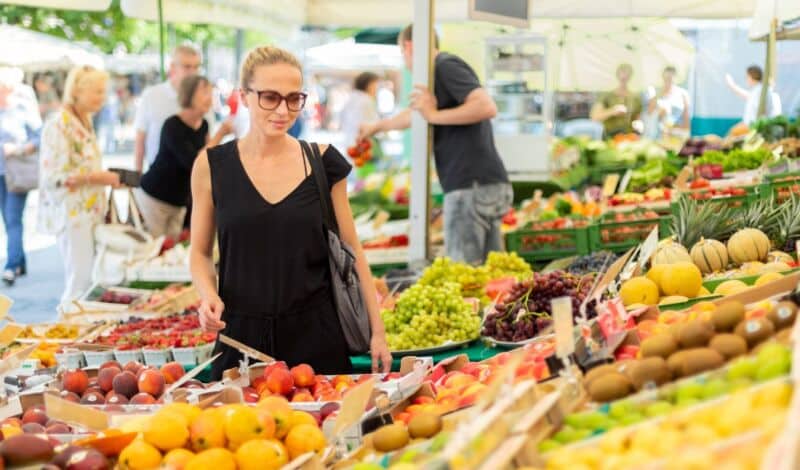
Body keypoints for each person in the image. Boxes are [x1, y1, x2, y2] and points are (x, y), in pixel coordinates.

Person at [191, 46, 392, 379]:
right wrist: (207, 294)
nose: (283, 110)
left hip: (317, 340)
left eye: (294, 98)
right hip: (240, 340)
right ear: (244, 96)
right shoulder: (211, 166)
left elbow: (353, 252)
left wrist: (378, 332)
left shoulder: (324, 163)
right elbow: (199, 252)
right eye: (270, 97)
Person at [359, 25, 512, 265]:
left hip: (469, 186)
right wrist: (376, 127)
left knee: (463, 276)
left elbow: (485, 106)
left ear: (409, 47)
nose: (405, 60)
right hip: (484, 182)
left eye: (402, 52)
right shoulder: (437, 72)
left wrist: (433, 115)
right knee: (492, 274)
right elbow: (416, 115)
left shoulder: (444, 65)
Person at [38, 65, 122, 304]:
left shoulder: (84, 121)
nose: (102, 98)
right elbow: (52, 177)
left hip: (89, 212)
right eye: (96, 92)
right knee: (79, 283)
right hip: (72, 215)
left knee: (90, 282)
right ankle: (65, 333)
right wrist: (98, 178)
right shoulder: (59, 125)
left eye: (103, 92)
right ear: (76, 91)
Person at [134, 76, 233, 239]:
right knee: (152, 251)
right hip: (155, 198)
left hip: (180, 202)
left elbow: (209, 161)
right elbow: (196, 162)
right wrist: (220, 135)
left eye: (211, 92)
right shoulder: (172, 125)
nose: (210, 97)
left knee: (173, 254)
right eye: (204, 92)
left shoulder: (204, 125)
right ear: (189, 94)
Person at [134, 44, 206, 173]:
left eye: (196, 67)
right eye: (187, 67)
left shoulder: (205, 98)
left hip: (192, 181)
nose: (193, 72)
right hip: (158, 181)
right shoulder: (152, 96)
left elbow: (207, 140)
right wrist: (137, 174)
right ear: (173, 67)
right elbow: (140, 138)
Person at [0, 67, 42, 286]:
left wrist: (18, 149)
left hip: (17, 173)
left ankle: (10, 266)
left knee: (13, 218)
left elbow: (39, 137)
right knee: (7, 220)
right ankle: (19, 260)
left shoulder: (22, 109)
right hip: (0, 173)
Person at [590, 63, 643, 138]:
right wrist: (612, 111)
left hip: (628, 137)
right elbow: (594, 117)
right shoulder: (606, 95)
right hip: (609, 137)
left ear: (630, 76)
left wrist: (638, 126)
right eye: (622, 72)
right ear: (617, 74)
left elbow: (637, 118)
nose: (624, 76)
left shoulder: (635, 98)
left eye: (627, 74)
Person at [643, 66, 691, 139]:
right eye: (666, 78)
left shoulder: (682, 94)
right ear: (662, 77)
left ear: (675, 77)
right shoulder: (656, 93)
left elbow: (686, 118)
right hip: (658, 134)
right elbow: (650, 114)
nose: (668, 80)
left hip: (676, 133)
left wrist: (684, 131)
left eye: (670, 77)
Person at [340, 72, 380, 147]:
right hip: (362, 143)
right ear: (368, 85)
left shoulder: (351, 97)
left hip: (350, 140)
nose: (377, 89)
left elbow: (343, 118)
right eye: (375, 85)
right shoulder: (366, 100)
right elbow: (371, 123)